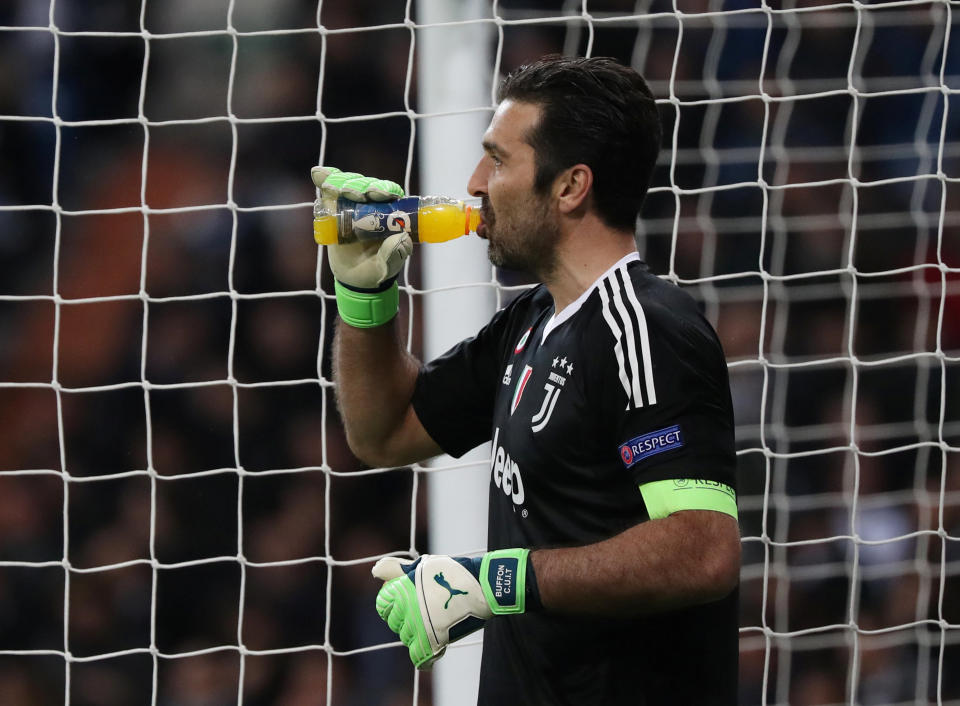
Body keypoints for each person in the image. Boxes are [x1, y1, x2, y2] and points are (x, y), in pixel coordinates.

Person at [313, 55, 741, 705]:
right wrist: (364, 296)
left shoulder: (648, 332)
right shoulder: (534, 320)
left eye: (499, 160)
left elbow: (704, 550)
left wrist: (494, 583)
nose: (475, 182)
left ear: (570, 187)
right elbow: (383, 433)